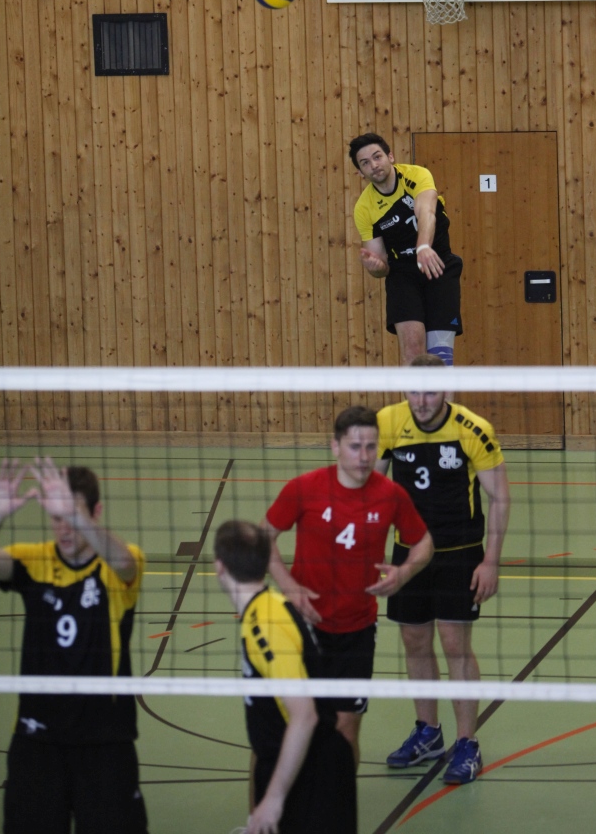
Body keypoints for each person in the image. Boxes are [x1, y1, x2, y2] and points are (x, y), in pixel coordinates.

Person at [262, 405, 434, 766]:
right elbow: (264, 537)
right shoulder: (304, 488)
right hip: (303, 627)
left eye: (371, 447)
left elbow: (424, 543)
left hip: (357, 631)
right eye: (355, 447)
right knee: (293, 724)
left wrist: (403, 573)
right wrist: (288, 586)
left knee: (346, 730)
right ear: (335, 446)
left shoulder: (390, 495)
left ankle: (339, 797)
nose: (364, 456)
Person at [0, 456, 147, 834]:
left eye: (71, 516)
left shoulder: (117, 563)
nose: (64, 528)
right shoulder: (34, 560)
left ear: (96, 512)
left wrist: (76, 516)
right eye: (56, 517)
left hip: (105, 741)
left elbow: (125, 563)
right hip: (37, 740)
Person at [375, 354, 510, 784]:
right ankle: (428, 732)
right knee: (414, 640)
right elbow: (370, 491)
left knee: (455, 644)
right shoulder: (388, 423)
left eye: (430, 392)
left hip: (459, 553)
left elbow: (500, 498)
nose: (421, 401)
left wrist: (490, 561)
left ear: (446, 390)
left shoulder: (473, 429)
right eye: (413, 391)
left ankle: (467, 742)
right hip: (408, 552)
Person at [214, 519, 357, 834]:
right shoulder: (269, 606)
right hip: (294, 762)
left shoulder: (265, 623)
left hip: (311, 771)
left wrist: (275, 799)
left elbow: (304, 715)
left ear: (219, 566)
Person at [349, 132, 463, 365]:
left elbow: (426, 212)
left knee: (440, 354)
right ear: (360, 172)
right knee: (413, 353)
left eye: (377, 157)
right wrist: (376, 267)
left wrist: (423, 246)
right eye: (365, 163)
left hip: (439, 265)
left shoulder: (416, 175)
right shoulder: (364, 208)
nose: (374, 165)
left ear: (390, 157)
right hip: (402, 275)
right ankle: (414, 392)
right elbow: (382, 267)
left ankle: (444, 392)